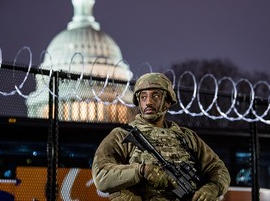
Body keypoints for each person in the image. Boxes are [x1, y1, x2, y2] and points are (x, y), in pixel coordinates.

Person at [92, 72, 231, 201]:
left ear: (167, 101)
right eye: (143, 97)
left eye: (156, 96)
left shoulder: (186, 137)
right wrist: (141, 170)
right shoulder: (122, 135)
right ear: (138, 102)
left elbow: (218, 170)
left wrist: (212, 188)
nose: (149, 102)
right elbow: (101, 176)